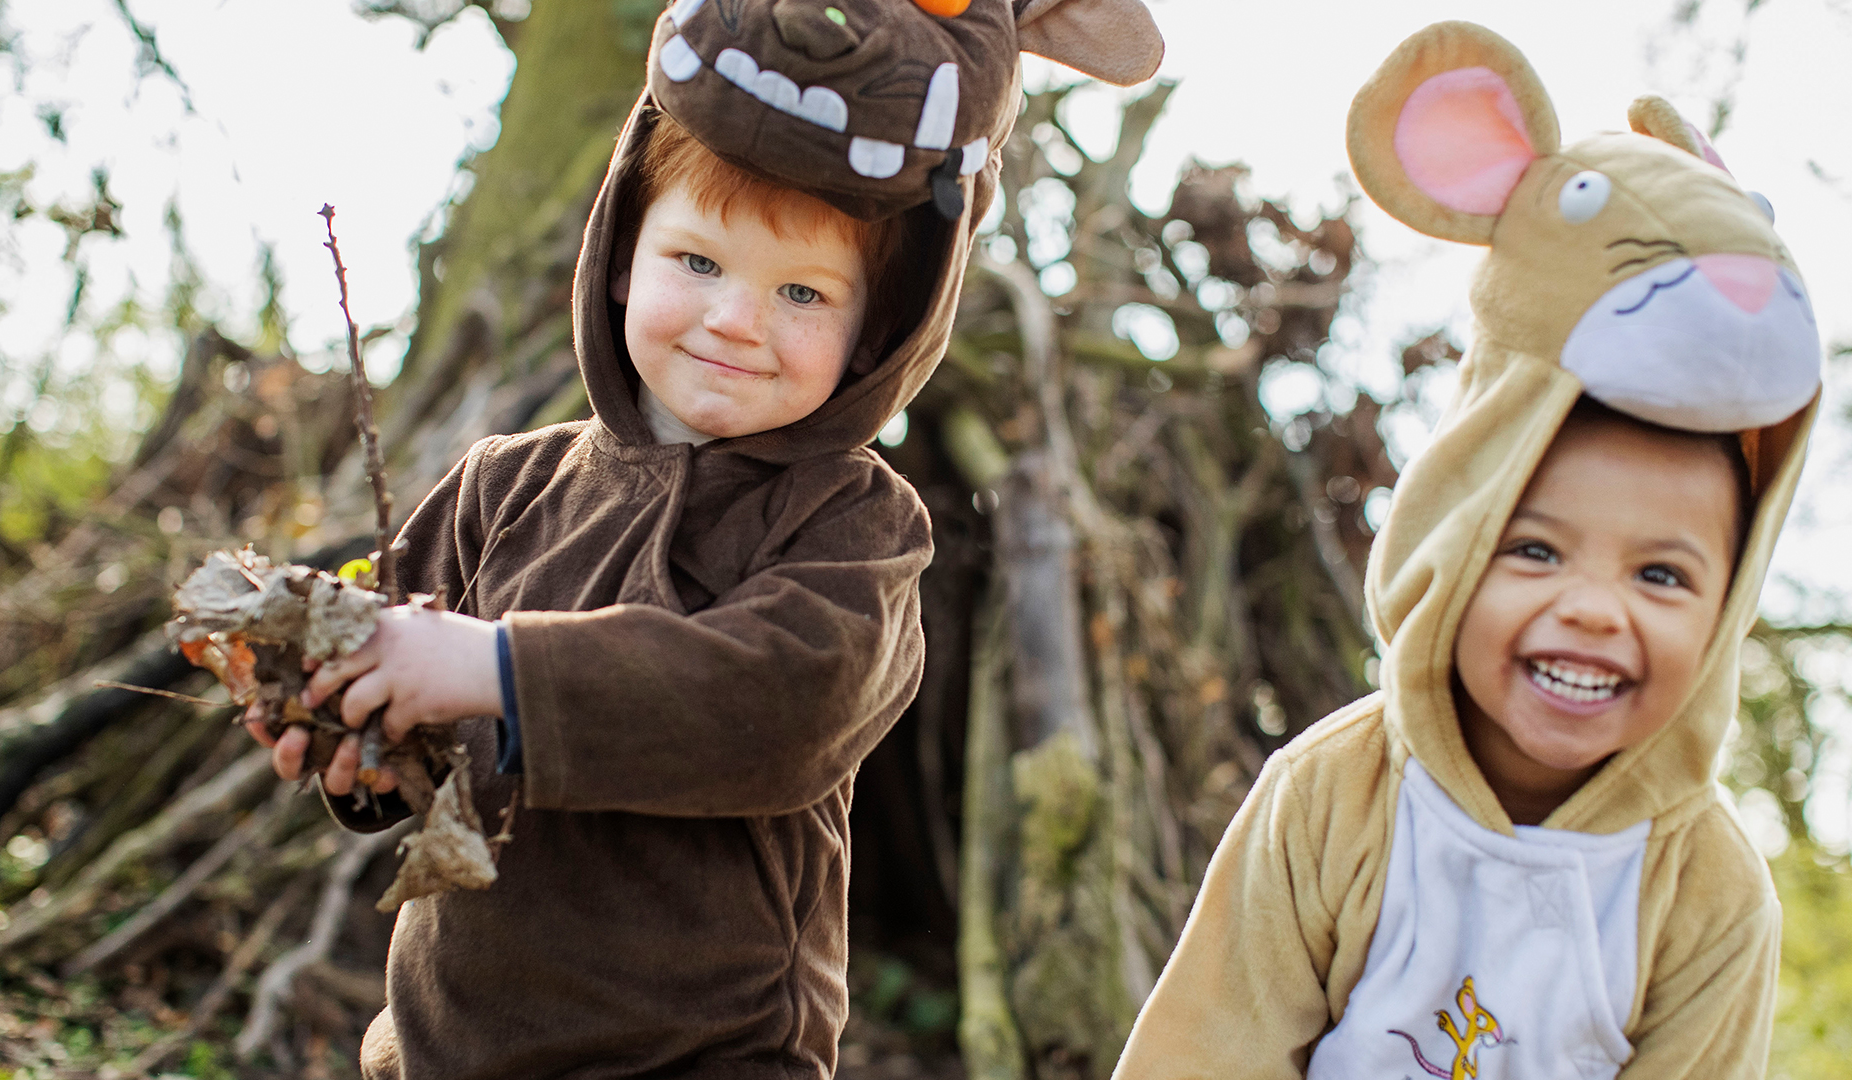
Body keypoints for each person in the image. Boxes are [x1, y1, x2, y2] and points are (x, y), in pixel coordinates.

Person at [245, 2, 1164, 1078]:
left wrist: (494, 666)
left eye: (803, 292)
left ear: (877, 328)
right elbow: (419, 717)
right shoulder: (503, 485)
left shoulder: (855, 523)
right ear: (624, 253)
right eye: (698, 262)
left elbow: (787, 702)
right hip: (449, 1047)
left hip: (708, 1054)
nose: (737, 319)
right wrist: (352, 733)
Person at [1111, 21, 1820, 1080]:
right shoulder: (1332, 797)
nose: (1593, 609)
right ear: (1454, 544)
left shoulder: (1706, 892)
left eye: (1661, 575)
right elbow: (1206, 1052)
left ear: (1727, 612)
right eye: (1535, 554)